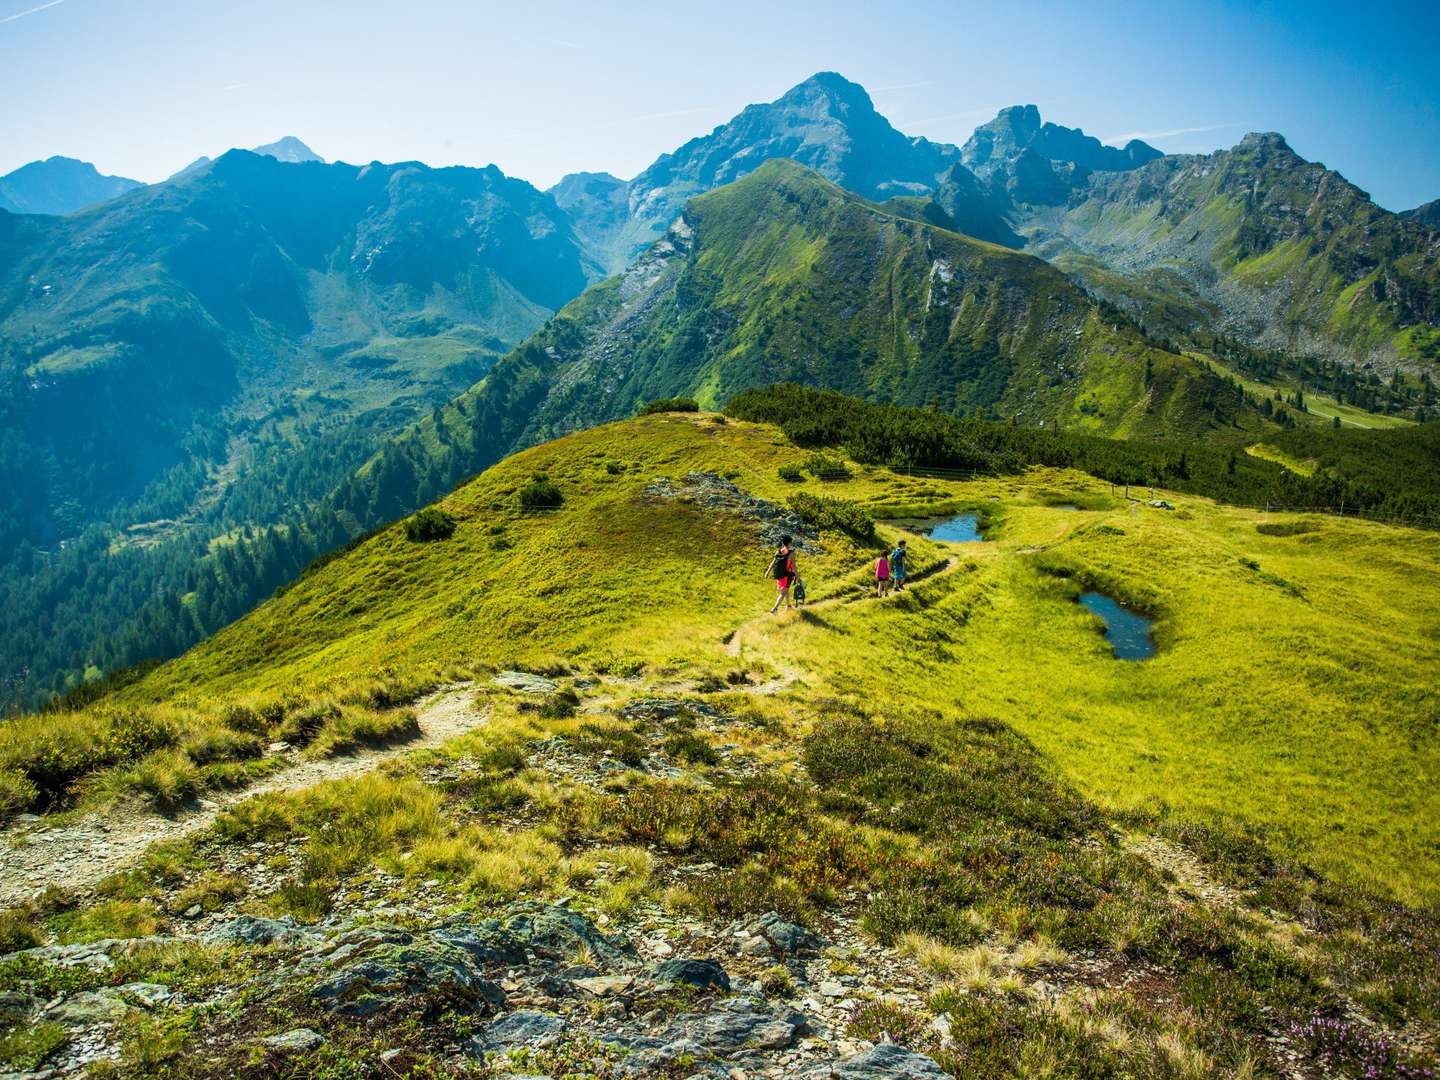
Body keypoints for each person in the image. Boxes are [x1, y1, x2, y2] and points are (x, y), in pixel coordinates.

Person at [768, 536, 797, 614]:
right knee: (783, 593)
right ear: (790, 543)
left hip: (779, 575)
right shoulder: (791, 553)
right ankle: (774, 609)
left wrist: (767, 572)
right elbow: (794, 566)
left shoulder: (778, 552)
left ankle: (788, 606)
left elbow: (773, 563)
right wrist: (797, 577)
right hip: (787, 576)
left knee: (785, 591)